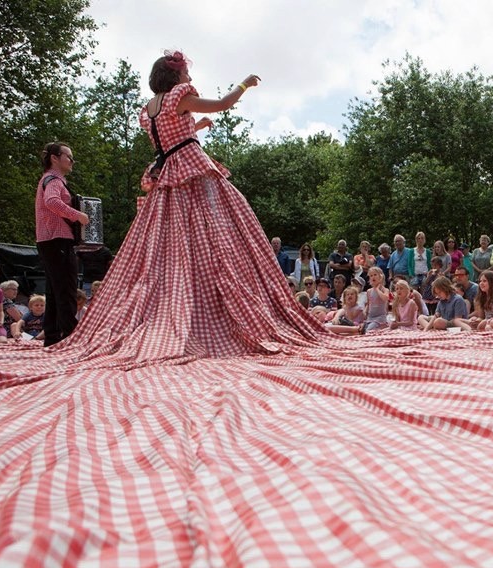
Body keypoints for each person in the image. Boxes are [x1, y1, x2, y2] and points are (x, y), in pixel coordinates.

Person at [56, 51, 322, 360]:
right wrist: (244, 85)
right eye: (186, 73)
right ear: (175, 77)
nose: (190, 78)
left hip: (168, 171)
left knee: (175, 240)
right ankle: (217, 310)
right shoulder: (179, 97)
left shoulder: (149, 109)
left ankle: (178, 310)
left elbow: (169, 139)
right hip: (190, 168)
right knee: (219, 226)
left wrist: (196, 128)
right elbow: (223, 103)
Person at [35, 142, 91, 346]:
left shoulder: (49, 179)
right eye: (68, 156)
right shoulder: (54, 180)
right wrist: (78, 216)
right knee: (66, 288)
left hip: (48, 240)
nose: (72, 161)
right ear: (54, 158)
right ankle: (70, 336)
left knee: (54, 290)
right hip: (57, 239)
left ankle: (52, 337)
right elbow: (51, 201)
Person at [361, 267, 389, 332]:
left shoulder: (384, 289)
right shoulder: (369, 291)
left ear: (381, 277)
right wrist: (365, 311)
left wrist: (377, 289)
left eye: (375, 275)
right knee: (361, 329)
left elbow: (385, 298)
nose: (373, 277)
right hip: (370, 317)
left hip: (380, 317)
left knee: (368, 330)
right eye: (371, 276)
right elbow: (369, 304)